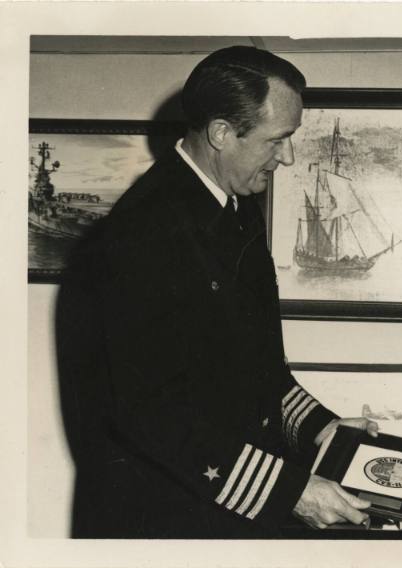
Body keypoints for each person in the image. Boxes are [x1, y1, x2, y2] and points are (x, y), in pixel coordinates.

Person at [56, 46, 377, 538]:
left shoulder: (233, 206)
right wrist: (289, 491)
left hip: (216, 508)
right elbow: (149, 413)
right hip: (162, 522)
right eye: (278, 140)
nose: (287, 157)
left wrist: (324, 431)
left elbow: (255, 371)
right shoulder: (142, 232)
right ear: (222, 133)